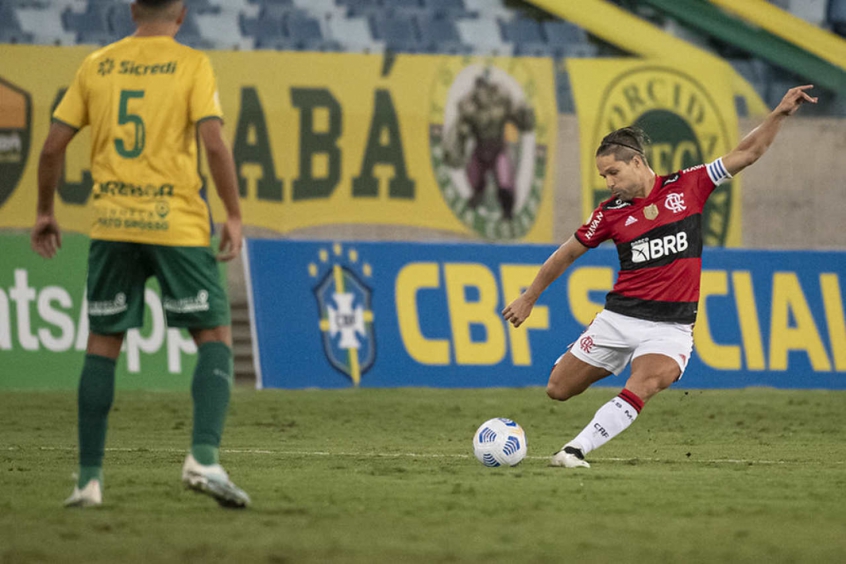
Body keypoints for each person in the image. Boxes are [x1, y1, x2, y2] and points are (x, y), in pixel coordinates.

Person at [502, 85, 817, 468]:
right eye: (604, 176)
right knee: (558, 388)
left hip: (670, 328)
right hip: (618, 319)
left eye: (613, 172)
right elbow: (567, 252)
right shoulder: (610, 213)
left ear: (637, 163)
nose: (609, 182)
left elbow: (747, 153)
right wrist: (529, 296)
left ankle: (574, 450)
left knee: (645, 383)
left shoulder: (689, 185)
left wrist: (779, 113)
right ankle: (588, 356)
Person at [31, 0, 249, 507]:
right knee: (214, 334)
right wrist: (234, 214)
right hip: (175, 223)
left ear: (132, 9)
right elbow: (214, 144)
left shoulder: (96, 66)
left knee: (102, 343)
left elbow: (50, 148)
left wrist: (46, 211)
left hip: (113, 224)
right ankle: (202, 458)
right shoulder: (192, 64)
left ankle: (87, 481)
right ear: (183, 13)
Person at [444, 72, 535, 220]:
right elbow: (460, 131)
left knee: (505, 182)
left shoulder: (501, 102)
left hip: (498, 148)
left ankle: (507, 210)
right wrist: (456, 149)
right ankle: (478, 195)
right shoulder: (469, 106)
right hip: (480, 149)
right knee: (475, 179)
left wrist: (523, 116)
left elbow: (518, 116)